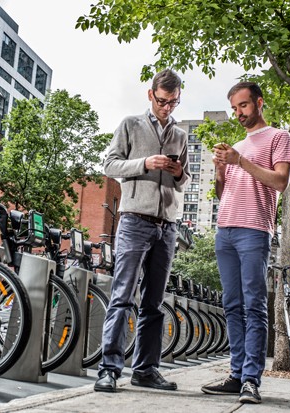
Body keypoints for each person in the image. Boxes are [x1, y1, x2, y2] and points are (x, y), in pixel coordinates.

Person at [94, 69, 191, 393]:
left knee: (154, 302)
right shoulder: (130, 125)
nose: (167, 108)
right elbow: (109, 165)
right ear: (151, 95)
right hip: (135, 220)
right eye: (163, 101)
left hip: (167, 227)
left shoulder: (181, 133)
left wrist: (178, 172)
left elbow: (185, 179)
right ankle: (109, 369)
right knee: (123, 296)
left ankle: (146, 369)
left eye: (173, 103)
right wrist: (145, 163)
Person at [200, 81, 290, 404]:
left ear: (259, 102)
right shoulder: (238, 146)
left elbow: (280, 182)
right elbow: (222, 193)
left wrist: (239, 161)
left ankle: (252, 380)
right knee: (231, 306)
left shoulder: (278, 137)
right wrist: (219, 171)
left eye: (243, 105)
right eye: (234, 108)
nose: (238, 113)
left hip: (255, 231)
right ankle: (236, 374)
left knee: (254, 305)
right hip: (224, 230)